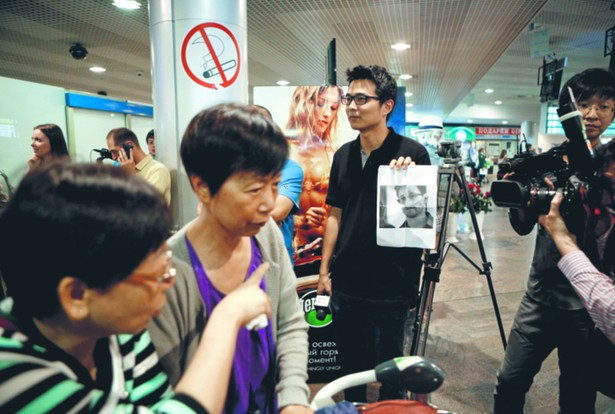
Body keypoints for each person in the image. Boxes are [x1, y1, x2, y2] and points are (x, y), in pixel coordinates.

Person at [0, 161, 272, 414]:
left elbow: (158, 401)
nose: (169, 282)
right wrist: (227, 317)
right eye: (156, 275)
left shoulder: (113, 329)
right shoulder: (12, 374)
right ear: (77, 295)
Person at [147, 104, 311, 414]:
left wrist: (292, 398)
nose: (268, 203)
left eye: (274, 185)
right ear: (202, 187)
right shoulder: (167, 271)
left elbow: (290, 324)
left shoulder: (267, 235)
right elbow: (162, 392)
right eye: (253, 189)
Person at [493, 68, 615, 414]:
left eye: (603, 106)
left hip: (590, 305)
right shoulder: (547, 161)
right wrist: (518, 193)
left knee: (578, 396)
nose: (592, 114)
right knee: (509, 380)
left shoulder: (609, 169)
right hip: (540, 297)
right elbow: (521, 226)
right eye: (585, 105)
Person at [318, 65, 430, 403]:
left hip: (392, 286)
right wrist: (325, 271)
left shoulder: (412, 153)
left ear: (387, 106)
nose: (352, 106)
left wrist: (407, 184)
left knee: (391, 374)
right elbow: (334, 215)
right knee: (350, 369)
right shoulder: (343, 155)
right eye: (349, 98)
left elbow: (419, 227)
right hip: (347, 282)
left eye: (362, 99)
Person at [285, 86, 343, 274]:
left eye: (333, 108)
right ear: (304, 103)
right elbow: (262, 209)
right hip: (292, 250)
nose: (327, 114)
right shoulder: (281, 152)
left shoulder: (335, 156)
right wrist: (298, 220)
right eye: (320, 104)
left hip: (327, 253)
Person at [253, 104, 305, 264]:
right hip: (235, 258)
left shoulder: (289, 168)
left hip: (276, 259)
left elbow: (277, 211)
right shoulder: (230, 168)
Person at [106, 127, 171, 205]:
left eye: (114, 152)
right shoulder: (123, 170)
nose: (113, 157)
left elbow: (144, 205)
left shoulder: (157, 170)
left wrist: (131, 176)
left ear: (129, 146)